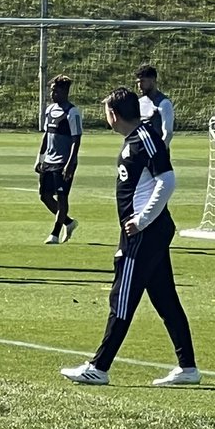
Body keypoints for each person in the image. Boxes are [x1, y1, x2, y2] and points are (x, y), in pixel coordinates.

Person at [60, 87, 200, 386]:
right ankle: (188, 368)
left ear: (114, 114)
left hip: (146, 233)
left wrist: (142, 220)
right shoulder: (133, 140)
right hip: (144, 232)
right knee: (165, 300)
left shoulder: (146, 138)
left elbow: (167, 180)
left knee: (122, 297)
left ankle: (99, 367)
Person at [35, 75, 83, 245]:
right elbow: (46, 136)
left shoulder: (72, 112)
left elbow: (76, 139)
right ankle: (68, 222)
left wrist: (70, 163)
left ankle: (55, 233)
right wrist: (39, 158)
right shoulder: (49, 110)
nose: (52, 93)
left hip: (64, 162)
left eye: (56, 90)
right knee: (44, 196)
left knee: (62, 197)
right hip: (49, 160)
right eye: (52, 90)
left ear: (65, 91)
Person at [136, 64, 174, 145]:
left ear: (153, 80)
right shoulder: (139, 101)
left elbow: (168, 134)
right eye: (138, 82)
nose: (139, 85)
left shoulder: (164, 103)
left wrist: (159, 152)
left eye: (142, 81)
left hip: (156, 154)